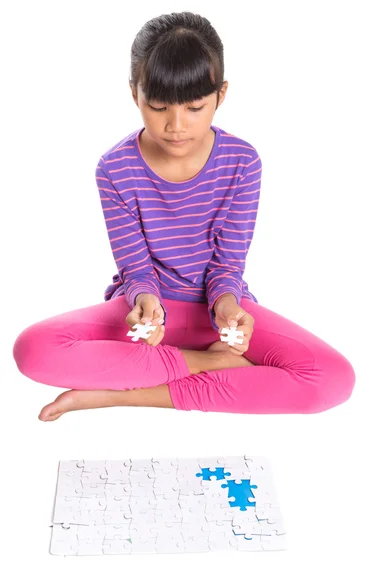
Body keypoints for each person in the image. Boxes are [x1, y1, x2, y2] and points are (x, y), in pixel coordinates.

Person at [12, 11, 355, 421]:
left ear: (220, 95)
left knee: (333, 379)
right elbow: (135, 266)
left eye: (195, 107)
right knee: (33, 348)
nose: (176, 126)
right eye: (158, 107)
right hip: (147, 317)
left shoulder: (242, 162)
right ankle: (208, 364)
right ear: (134, 94)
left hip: (217, 315)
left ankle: (114, 394)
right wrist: (145, 301)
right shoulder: (115, 168)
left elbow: (228, 263)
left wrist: (228, 305)